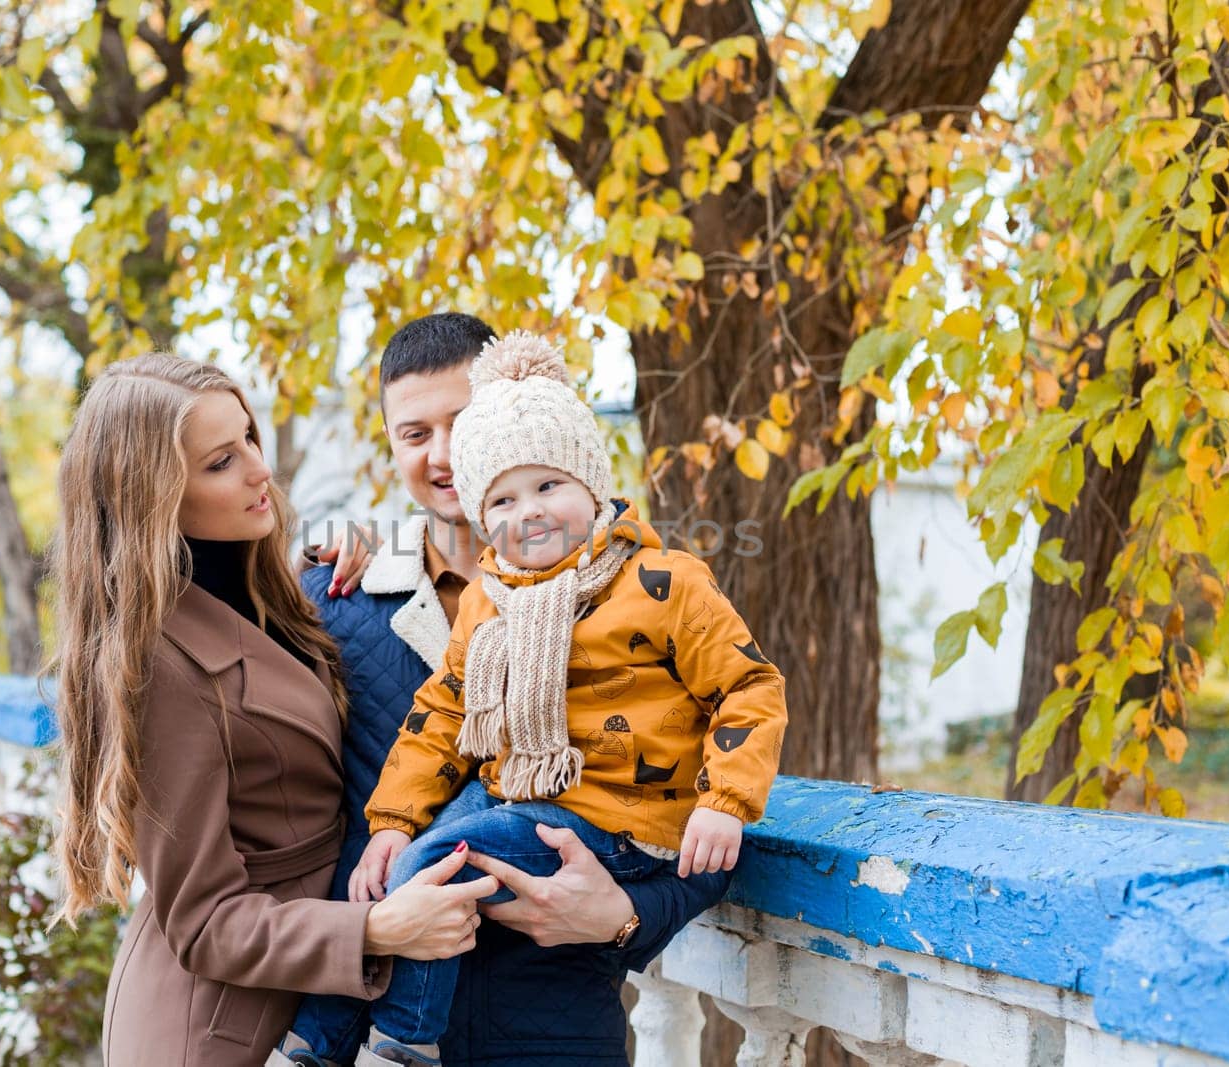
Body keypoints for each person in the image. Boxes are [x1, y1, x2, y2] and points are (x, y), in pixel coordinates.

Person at [282, 324, 783, 1066]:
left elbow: (721, 766)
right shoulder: (338, 599)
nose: (444, 453)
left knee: (452, 846)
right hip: (379, 1007)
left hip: (554, 1024)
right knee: (434, 849)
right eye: (416, 432)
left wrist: (626, 916)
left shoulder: (655, 587)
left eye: (463, 422)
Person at [48, 354, 498, 1067]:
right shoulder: (158, 666)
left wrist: (374, 556)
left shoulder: (267, 587)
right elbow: (202, 921)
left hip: (304, 1004)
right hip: (215, 1026)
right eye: (223, 461)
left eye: (251, 438)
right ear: (152, 495)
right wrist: (376, 927)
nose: (261, 469)